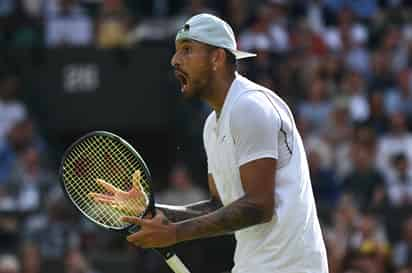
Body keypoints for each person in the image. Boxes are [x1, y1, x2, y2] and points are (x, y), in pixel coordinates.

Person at [91, 13, 328, 273]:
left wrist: (175, 233)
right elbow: (221, 206)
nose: (175, 60)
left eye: (187, 50)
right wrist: (152, 210)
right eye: (177, 51)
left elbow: (260, 206)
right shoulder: (211, 126)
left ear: (217, 58)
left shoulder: (250, 107)